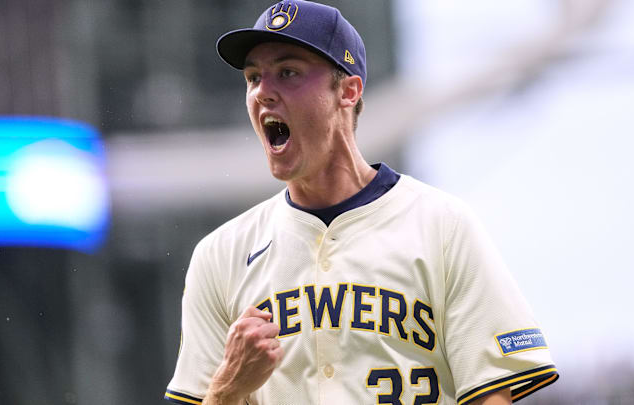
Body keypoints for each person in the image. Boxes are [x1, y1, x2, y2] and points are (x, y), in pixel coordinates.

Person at [164, 1, 558, 404]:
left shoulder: (442, 225)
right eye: (253, 77)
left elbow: (490, 395)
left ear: (348, 91)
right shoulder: (219, 256)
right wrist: (228, 387)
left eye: (288, 72)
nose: (263, 92)